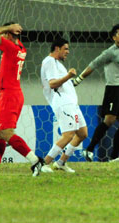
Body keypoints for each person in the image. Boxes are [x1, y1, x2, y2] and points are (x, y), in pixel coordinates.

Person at [74, 24, 119, 162]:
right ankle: (89, 150)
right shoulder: (110, 52)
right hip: (113, 89)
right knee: (109, 120)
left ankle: (113, 156)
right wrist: (79, 79)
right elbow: (94, 64)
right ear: (114, 37)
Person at [0, 22, 43, 176]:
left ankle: (35, 161)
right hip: (9, 93)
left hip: (10, 95)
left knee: (7, 132)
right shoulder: (20, 46)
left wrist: (7, 28)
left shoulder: (11, 48)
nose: (1, 36)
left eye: (5, 33)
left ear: (8, 34)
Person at [40, 38, 88, 173]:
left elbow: (64, 83)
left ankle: (61, 162)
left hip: (71, 103)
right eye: (65, 49)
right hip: (63, 102)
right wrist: (68, 76)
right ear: (57, 49)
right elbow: (53, 84)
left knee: (82, 133)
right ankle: (43, 163)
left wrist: (73, 79)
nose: (68, 52)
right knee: (68, 134)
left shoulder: (58, 64)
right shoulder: (49, 61)